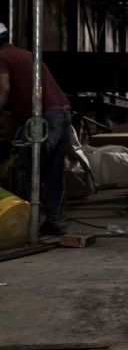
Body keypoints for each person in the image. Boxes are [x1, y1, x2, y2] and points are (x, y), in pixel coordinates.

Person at [0, 22, 73, 236]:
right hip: (61, 114)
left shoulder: (2, 57)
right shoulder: (24, 54)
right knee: (54, 174)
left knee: (26, 169)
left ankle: (21, 224)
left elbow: (3, 89)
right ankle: (55, 222)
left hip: (43, 119)